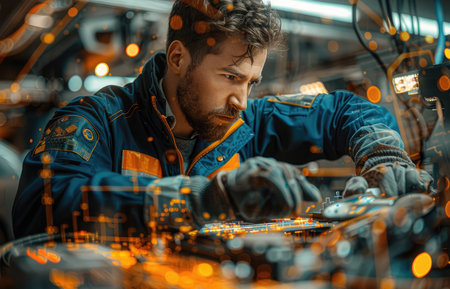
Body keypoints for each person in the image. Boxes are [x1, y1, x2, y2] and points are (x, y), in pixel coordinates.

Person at [13, 0, 432, 238]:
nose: (242, 101)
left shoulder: (248, 123)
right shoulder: (97, 122)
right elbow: (42, 206)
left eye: (251, 82)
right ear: (178, 57)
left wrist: (384, 158)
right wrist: (203, 198)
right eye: (231, 77)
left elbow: (346, 111)